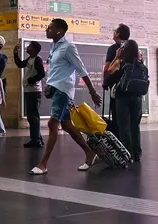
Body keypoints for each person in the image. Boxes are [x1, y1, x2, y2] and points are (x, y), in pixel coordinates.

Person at [31, 20, 101, 174]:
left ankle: (43, 164)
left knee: (52, 123)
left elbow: (81, 69)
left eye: (50, 27)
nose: (47, 29)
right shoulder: (54, 46)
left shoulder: (69, 47)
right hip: (56, 89)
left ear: (59, 31)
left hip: (63, 90)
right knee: (67, 125)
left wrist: (92, 92)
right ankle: (90, 153)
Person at [106, 40, 146, 161]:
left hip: (122, 97)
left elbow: (109, 71)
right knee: (135, 126)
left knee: (124, 126)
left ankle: (127, 154)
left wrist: (116, 56)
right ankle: (137, 153)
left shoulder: (120, 62)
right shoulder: (141, 64)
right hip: (138, 97)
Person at [15, 41, 45, 148]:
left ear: (34, 49)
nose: (28, 47)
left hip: (34, 91)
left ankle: (36, 139)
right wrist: (15, 54)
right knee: (31, 116)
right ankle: (38, 138)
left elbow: (42, 73)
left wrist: (32, 80)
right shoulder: (30, 59)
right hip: (29, 91)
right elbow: (20, 64)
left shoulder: (37, 60)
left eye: (30, 46)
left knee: (33, 116)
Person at [103, 24, 130, 139]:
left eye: (115, 30)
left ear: (118, 34)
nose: (113, 32)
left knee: (117, 118)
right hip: (132, 89)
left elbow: (108, 68)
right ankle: (133, 152)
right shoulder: (133, 47)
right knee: (130, 121)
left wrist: (105, 81)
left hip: (117, 89)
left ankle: (119, 147)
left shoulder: (114, 49)